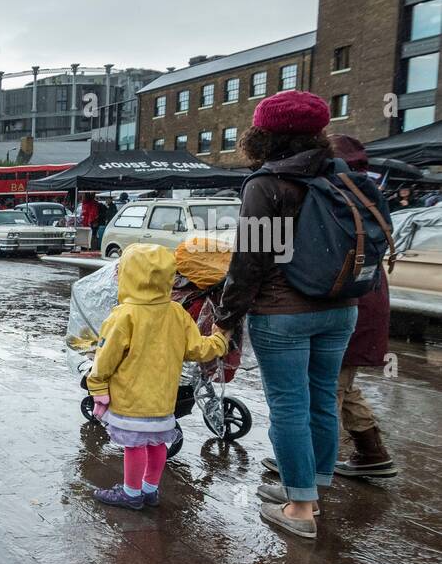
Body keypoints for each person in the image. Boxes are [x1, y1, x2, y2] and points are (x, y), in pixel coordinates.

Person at [215, 90, 362, 539]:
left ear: (262, 134)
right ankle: (309, 489)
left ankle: (299, 508)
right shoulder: (341, 175)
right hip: (341, 309)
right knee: (321, 400)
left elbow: (252, 259)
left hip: (283, 312)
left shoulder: (268, 183)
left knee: (289, 406)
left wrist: (226, 317)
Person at [261, 134, 398, 480]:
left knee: (323, 393)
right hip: (360, 298)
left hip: (335, 302)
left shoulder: (322, 189)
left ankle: (306, 474)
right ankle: (370, 453)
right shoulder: (363, 192)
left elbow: (259, 250)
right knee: (339, 385)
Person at [87, 244, 229, 510]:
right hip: (164, 398)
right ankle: (150, 490)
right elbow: (196, 348)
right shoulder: (176, 312)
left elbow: (105, 358)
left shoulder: (124, 314)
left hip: (132, 399)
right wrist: (220, 339)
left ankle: (131, 493)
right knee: (157, 443)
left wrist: (97, 385)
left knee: (134, 446)